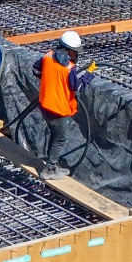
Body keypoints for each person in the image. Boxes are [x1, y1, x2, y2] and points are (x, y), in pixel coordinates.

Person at [34, 30, 91, 174]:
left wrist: (49, 81)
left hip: (45, 104)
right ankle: (49, 169)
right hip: (57, 109)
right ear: (65, 49)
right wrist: (89, 75)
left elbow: (36, 69)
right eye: (73, 53)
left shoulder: (47, 56)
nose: (75, 56)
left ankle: (52, 164)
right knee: (59, 138)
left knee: (54, 135)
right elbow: (77, 86)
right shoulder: (69, 68)